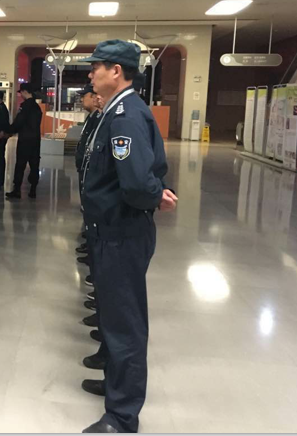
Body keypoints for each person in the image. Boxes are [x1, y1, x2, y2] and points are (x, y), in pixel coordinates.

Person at [78, 40, 178, 434]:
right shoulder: (116, 111)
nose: (91, 74)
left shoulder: (126, 116)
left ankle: (122, 416)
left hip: (121, 233)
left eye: (96, 67)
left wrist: (154, 195)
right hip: (108, 230)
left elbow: (136, 182)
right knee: (113, 316)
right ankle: (114, 381)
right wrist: (155, 190)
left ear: (116, 71)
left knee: (125, 325)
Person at [75, 84, 103, 261]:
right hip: (85, 169)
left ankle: (94, 245)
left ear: (94, 97)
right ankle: (90, 239)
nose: (81, 99)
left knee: (92, 209)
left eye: (84, 96)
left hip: (92, 171)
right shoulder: (91, 117)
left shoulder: (100, 118)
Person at [5, 82, 42, 200]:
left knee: (20, 164)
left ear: (25, 92)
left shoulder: (24, 106)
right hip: (35, 140)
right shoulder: (37, 107)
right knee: (34, 165)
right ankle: (33, 190)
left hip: (25, 139)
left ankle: (17, 190)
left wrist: (8, 130)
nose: (20, 95)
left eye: (21, 92)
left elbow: (19, 122)